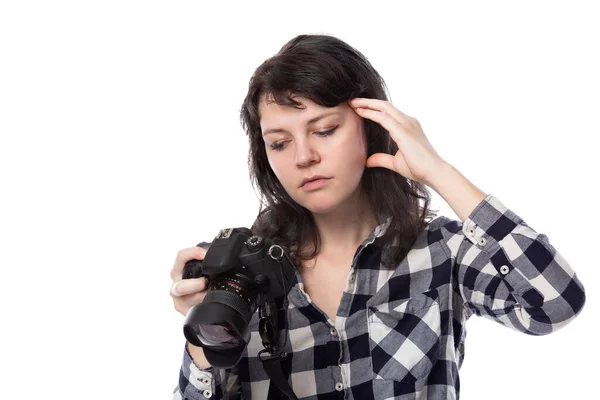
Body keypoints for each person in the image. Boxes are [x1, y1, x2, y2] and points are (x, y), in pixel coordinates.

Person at [169, 34, 586, 400]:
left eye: (325, 130)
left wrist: (437, 171)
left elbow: (556, 303)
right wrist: (204, 346)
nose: (303, 157)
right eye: (279, 143)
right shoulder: (245, 274)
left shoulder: (441, 253)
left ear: (370, 125)